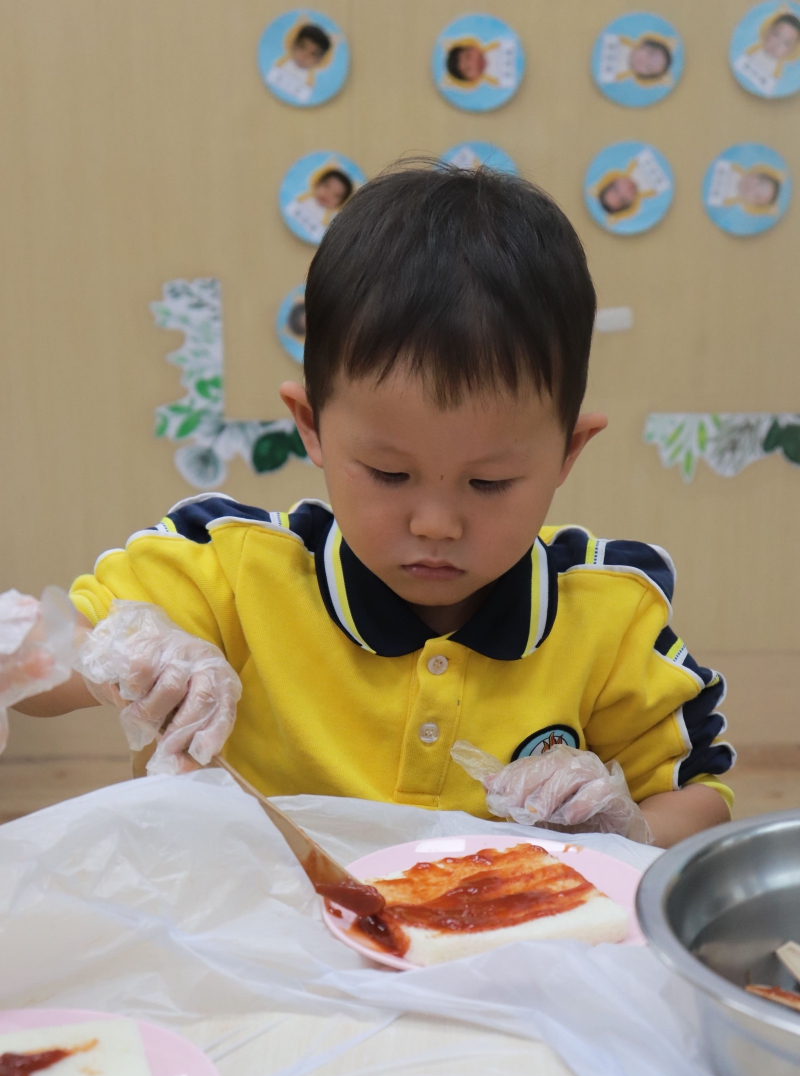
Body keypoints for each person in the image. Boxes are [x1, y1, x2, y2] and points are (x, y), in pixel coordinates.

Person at [9, 165, 734, 848]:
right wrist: (112, 656)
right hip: (249, 926)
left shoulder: (610, 619)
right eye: (389, 474)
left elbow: (702, 800)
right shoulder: (231, 568)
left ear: (568, 452)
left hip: (486, 935)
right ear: (312, 426)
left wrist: (625, 829)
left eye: (489, 483)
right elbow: (45, 664)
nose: (435, 524)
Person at [734, 9, 800, 96]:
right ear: (768, 31)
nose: (777, 44)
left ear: (791, 51)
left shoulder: (777, 74)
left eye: (786, 43)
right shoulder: (751, 51)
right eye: (776, 35)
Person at [266, 22, 333, 104]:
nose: (305, 56)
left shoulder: (309, 83)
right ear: (294, 45)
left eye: (313, 54)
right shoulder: (280, 65)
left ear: (319, 61)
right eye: (302, 47)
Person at [285, 167, 354, 243]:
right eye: (326, 186)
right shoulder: (301, 200)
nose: (328, 195)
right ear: (317, 184)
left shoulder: (327, 223)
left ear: (340, 204)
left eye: (336, 195)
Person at [598, 31, 673, 87]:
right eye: (650, 54)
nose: (644, 61)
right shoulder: (620, 39)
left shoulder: (618, 76)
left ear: (643, 76)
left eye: (648, 67)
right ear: (645, 43)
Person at [444, 36, 517, 90]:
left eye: (468, 56)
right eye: (468, 69)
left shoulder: (498, 44)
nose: (474, 63)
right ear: (472, 80)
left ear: (471, 47)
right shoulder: (498, 82)